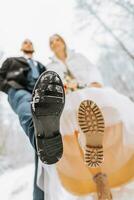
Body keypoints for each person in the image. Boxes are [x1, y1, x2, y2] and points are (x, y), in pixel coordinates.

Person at [38, 34, 134, 200]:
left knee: (102, 109)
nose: (55, 43)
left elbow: (92, 71)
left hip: (88, 92)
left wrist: (94, 82)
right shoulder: (49, 67)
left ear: (63, 41)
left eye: (57, 40)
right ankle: (92, 151)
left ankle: (99, 176)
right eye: (51, 42)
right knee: (70, 133)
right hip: (66, 100)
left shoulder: (79, 58)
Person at [0, 39, 65, 200]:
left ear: (34, 48)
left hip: (40, 95)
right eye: (25, 42)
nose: (28, 43)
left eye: (30, 42)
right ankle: (37, 130)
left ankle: (40, 197)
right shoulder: (12, 61)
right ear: (22, 47)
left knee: (42, 153)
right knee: (26, 106)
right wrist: (9, 87)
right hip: (19, 90)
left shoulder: (41, 66)